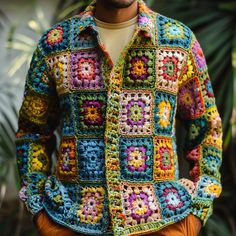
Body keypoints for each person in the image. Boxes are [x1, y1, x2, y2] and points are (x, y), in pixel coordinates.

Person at [15, 0, 223, 235]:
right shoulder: (56, 44)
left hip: (164, 221)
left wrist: (196, 213)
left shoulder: (178, 42)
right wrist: (40, 212)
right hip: (70, 221)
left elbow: (206, 128)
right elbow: (32, 132)